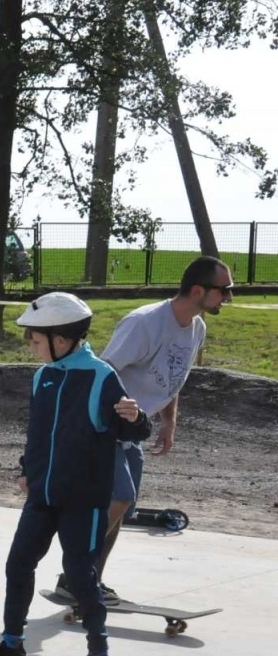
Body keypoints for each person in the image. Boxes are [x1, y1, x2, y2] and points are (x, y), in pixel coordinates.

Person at [0, 292, 151, 656]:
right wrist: (26, 470)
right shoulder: (42, 376)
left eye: (34, 339)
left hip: (82, 500)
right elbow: (38, 434)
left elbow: (132, 432)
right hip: (42, 496)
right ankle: (12, 644)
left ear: (61, 340)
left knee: (82, 578)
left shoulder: (100, 376)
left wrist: (137, 418)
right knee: (18, 565)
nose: (30, 346)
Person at [63, 256, 229, 604]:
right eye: (223, 290)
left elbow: (173, 379)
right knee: (119, 497)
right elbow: (101, 372)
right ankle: (74, 576)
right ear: (198, 290)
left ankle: (91, 580)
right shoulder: (145, 324)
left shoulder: (196, 328)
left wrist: (168, 421)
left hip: (134, 429)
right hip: (104, 423)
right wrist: (96, 425)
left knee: (123, 507)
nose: (227, 298)